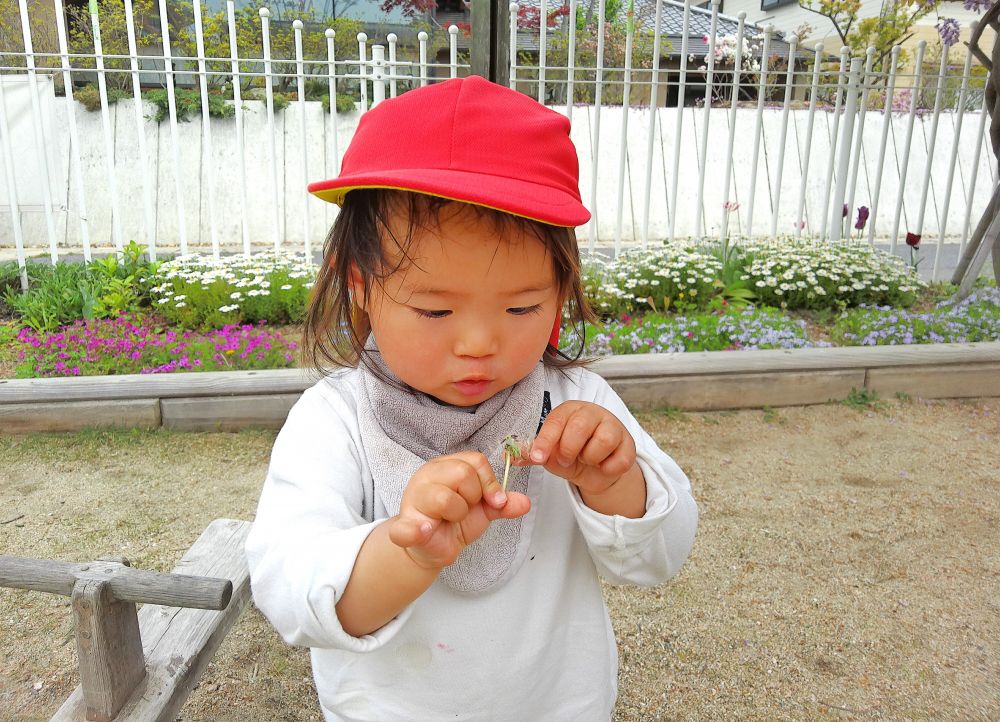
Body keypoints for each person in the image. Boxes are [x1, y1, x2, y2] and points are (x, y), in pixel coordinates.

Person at [245, 75, 698, 721]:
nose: (480, 344)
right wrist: (405, 551)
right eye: (434, 311)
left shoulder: (575, 402)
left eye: (522, 305)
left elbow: (660, 558)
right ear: (361, 287)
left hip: (560, 705)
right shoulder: (336, 420)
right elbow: (290, 590)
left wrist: (614, 484)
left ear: (562, 289)